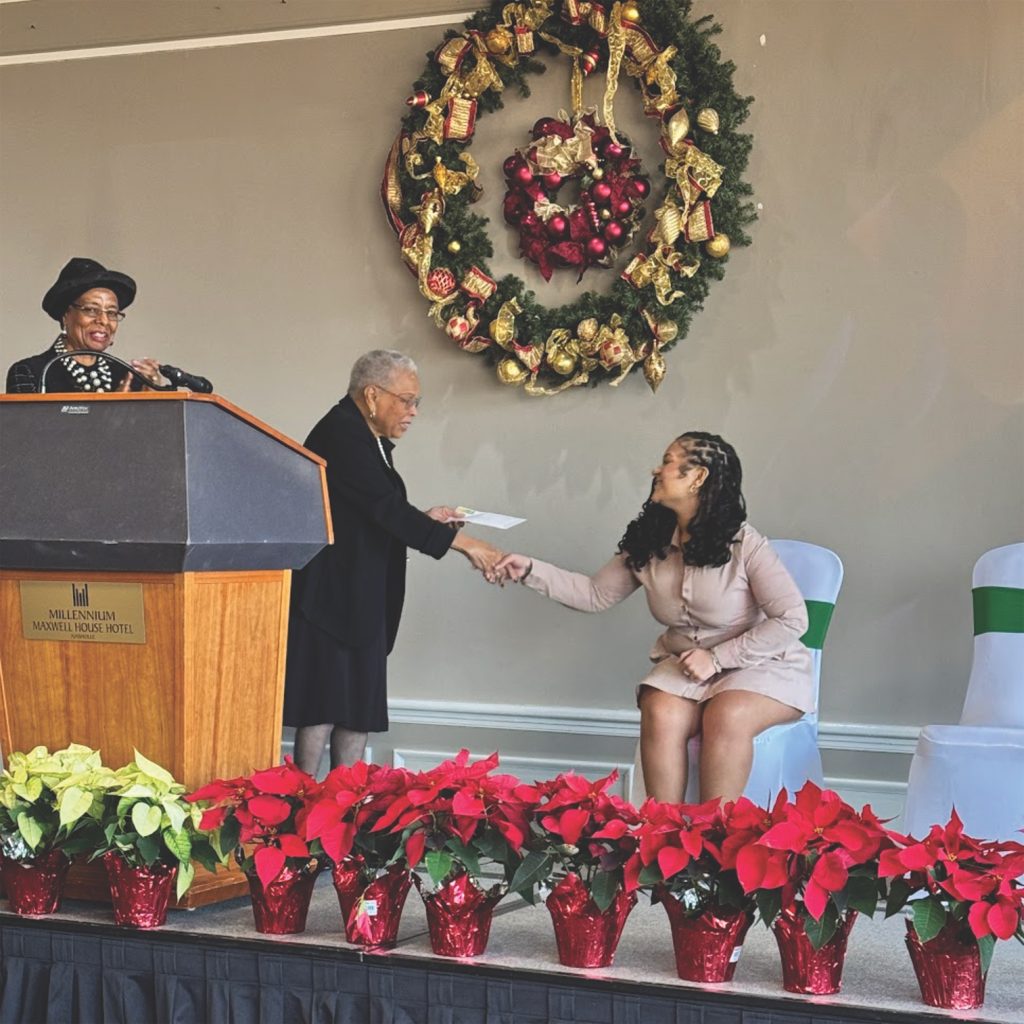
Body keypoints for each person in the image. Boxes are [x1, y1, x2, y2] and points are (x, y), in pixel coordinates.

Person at [491, 431, 811, 805]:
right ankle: (662, 840)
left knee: (728, 714)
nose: (656, 469)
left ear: (698, 477)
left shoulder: (745, 544)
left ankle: (717, 841)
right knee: (658, 707)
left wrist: (718, 658)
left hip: (759, 664)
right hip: (687, 669)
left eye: (669, 460)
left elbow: (792, 619)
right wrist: (528, 569)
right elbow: (595, 595)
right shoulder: (650, 541)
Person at [284, 349, 503, 775]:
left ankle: (342, 813)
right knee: (324, 707)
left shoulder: (367, 437)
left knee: (357, 711)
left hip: (359, 599)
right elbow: (384, 508)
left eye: (416, 402)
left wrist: (423, 520)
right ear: (372, 395)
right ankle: (302, 808)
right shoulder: (341, 433)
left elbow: (366, 514)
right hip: (331, 601)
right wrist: (465, 544)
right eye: (407, 400)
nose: (413, 412)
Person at [6, 257, 166, 393]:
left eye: (111, 313)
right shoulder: (31, 373)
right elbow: (29, 429)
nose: (104, 321)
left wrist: (154, 395)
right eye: (91, 310)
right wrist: (115, 409)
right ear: (66, 315)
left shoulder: (128, 378)